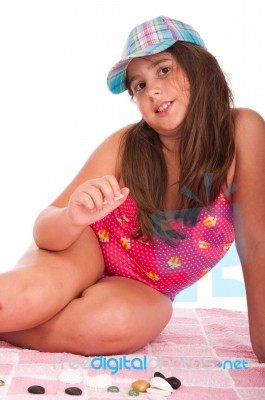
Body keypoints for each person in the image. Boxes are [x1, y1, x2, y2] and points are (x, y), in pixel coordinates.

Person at [0, 15, 264, 362]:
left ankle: (14, 327)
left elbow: (256, 242)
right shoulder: (126, 145)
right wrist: (73, 216)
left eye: (163, 69)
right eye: (138, 85)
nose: (151, 89)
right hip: (86, 249)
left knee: (113, 325)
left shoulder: (242, 129)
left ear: (200, 67)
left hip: (146, 287)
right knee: (23, 299)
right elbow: (46, 229)